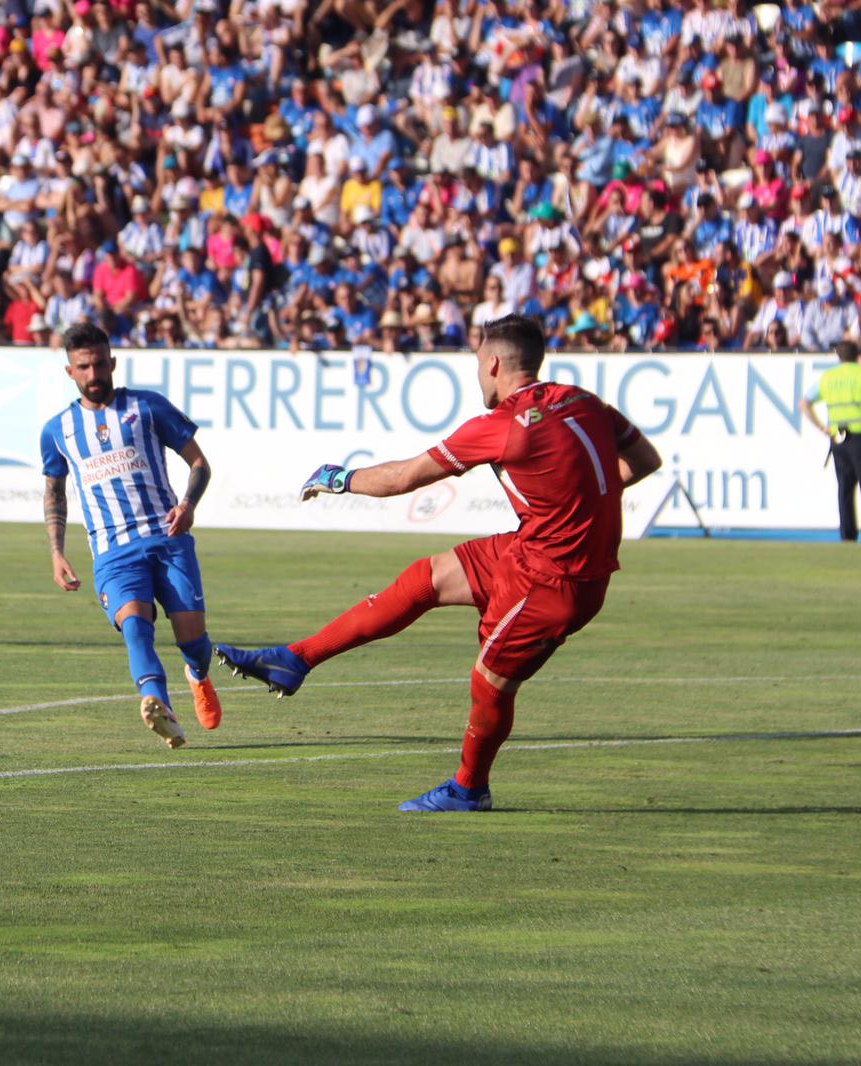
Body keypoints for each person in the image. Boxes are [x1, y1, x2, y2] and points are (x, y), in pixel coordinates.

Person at [217, 316, 663, 811]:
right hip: (531, 549)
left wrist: (338, 477)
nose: (478, 373)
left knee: (489, 681)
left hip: (555, 581)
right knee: (424, 579)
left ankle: (469, 788)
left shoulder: (502, 427)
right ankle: (296, 658)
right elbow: (645, 461)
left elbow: (403, 478)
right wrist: (581, 504)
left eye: (477, 362)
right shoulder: (585, 402)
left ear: (493, 362)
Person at [40, 321, 221, 749]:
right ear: (70, 372)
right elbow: (54, 491)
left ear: (113, 363)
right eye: (83, 367)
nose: (93, 374)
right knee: (135, 626)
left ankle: (197, 674)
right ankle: (157, 705)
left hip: (168, 539)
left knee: (193, 642)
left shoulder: (148, 407)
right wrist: (56, 552)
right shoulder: (57, 431)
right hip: (112, 552)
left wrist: (189, 504)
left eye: (100, 364)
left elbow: (200, 464)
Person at [800, 341, 861, 543]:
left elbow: (804, 402)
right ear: (858, 355)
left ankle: (847, 535)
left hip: (839, 438)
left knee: (845, 488)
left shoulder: (829, 377)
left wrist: (822, 427)